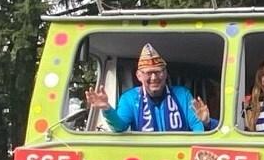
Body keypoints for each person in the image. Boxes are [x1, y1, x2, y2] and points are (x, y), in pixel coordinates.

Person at [87, 43, 216, 132]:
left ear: (165, 73)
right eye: (148, 73)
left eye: (158, 72)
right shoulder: (129, 98)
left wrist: (205, 122)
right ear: (139, 76)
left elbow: (197, 128)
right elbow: (119, 127)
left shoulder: (183, 94)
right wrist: (106, 108)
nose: (154, 77)